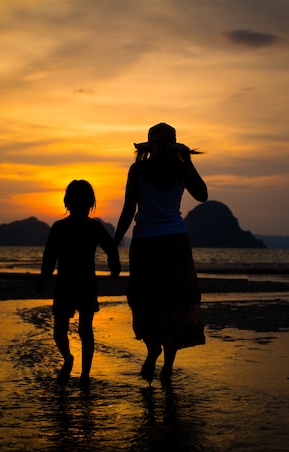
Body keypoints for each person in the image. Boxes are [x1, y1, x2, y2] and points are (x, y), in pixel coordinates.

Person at [114, 123, 208, 386]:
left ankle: (155, 352)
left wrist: (114, 243)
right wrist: (186, 160)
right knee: (172, 303)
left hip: (147, 243)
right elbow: (202, 194)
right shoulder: (177, 168)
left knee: (150, 302)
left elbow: (128, 210)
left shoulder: (140, 169)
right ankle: (166, 364)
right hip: (174, 242)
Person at [37, 180, 121, 388]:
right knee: (67, 330)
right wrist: (44, 278)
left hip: (79, 282)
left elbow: (110, 248)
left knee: (80, 330)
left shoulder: (93, 227)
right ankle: (71, 361)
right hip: (72, 282)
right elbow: (49, 257)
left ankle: (82, 372)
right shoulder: (61, 227)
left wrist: (114, 268)